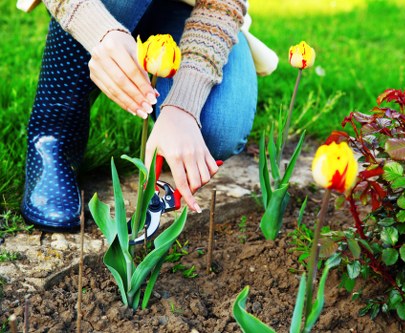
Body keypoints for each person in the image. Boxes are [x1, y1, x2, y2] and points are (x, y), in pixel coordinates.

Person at [21, 0, 259, 230]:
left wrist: (183, 105)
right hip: (105, 5)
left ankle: (168, 147)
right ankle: (53, 137)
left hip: (186, 12)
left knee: (218, 129)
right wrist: (99, 32)